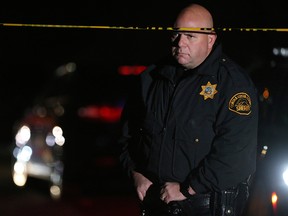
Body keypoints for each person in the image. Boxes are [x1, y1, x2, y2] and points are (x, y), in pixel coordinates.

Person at [118, 3, 258, 216]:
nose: (180, 43)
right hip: (156, 205)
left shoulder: (232, 84)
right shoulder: (152, 79)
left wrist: (188, 188)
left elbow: (235, 154)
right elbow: (127, 136)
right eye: (176, 34)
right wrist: (135, 172)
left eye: (191, 36)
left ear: (210, 40)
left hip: (205, 206)